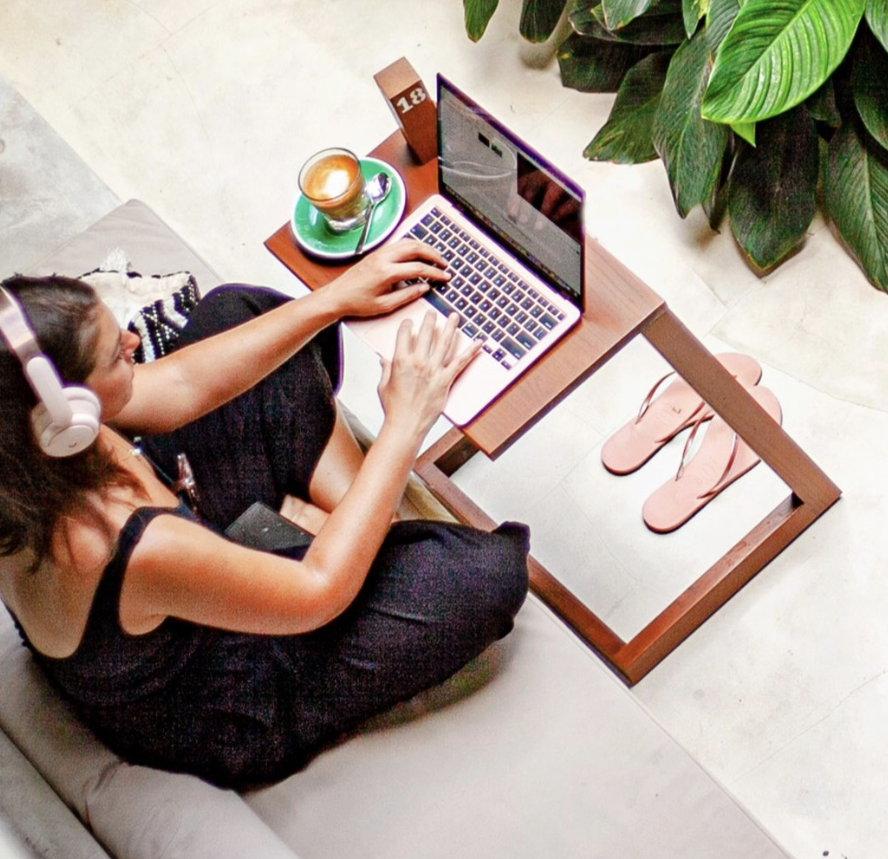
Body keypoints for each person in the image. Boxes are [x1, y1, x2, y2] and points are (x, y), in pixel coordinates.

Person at [0, 241, 529, 789]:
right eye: (115, 355)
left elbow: (181, 385)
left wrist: (336, 297)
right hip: (236, 693)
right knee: (486, 575)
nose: (134, 342)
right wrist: (405, 422)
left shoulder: (23, 442)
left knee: (238, 310)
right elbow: (318, 591)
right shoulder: (125, 544)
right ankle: (368, 527)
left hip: (177, 585)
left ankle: (365, 521)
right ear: (66, 414)